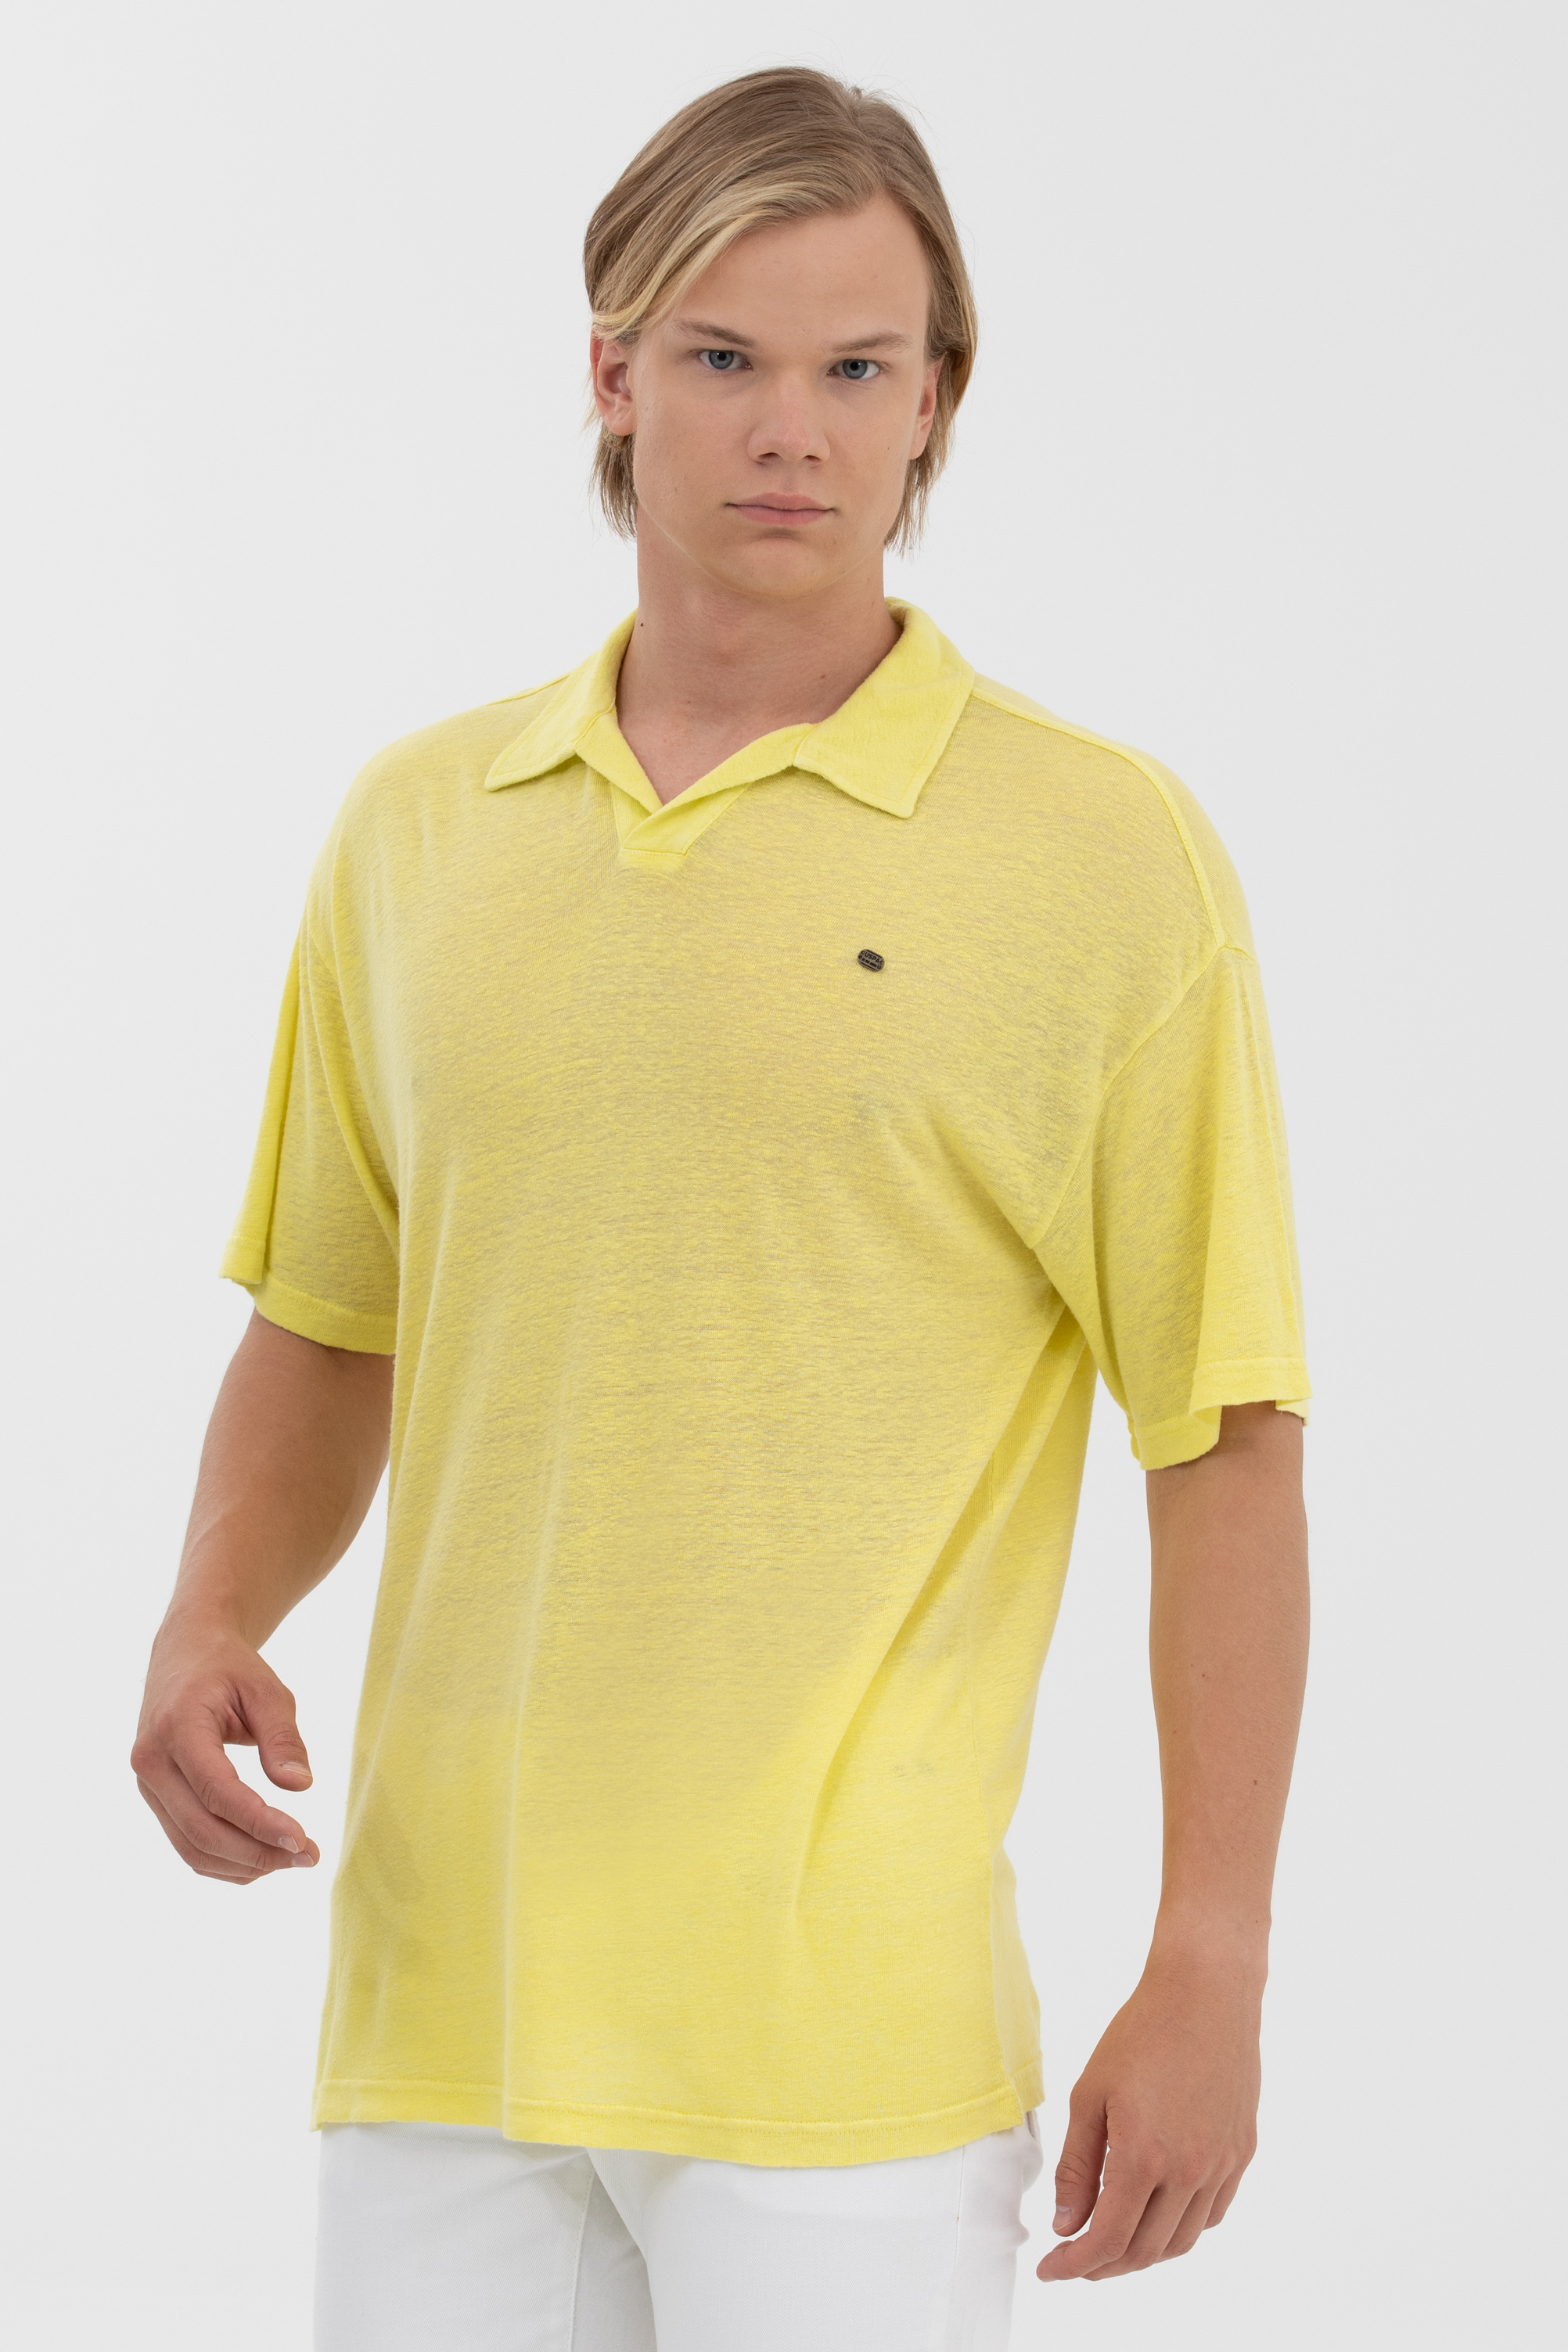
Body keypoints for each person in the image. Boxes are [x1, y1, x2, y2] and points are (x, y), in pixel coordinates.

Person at [131, 65, 1311, 2352]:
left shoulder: (1101, 857)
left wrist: (1213, 1957)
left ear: (934, 398)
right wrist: (207, 1614)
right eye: (724, 357)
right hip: (443, 2012)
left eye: (858, 368)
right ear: (612, 375)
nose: (794, 430)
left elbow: (1225, 1438)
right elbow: (333, 1324)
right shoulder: (419, 829)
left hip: (839, 2050)